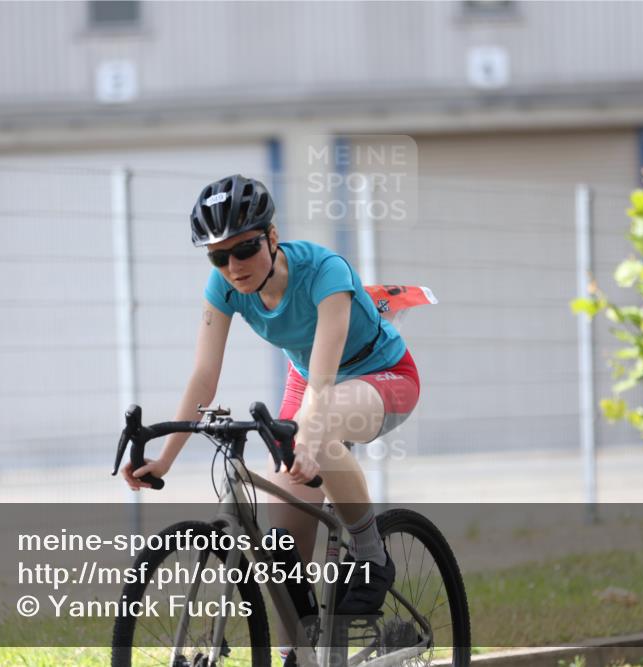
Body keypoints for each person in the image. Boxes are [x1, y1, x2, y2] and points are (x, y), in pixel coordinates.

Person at [121, 174, 421, 655]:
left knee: (318, 439)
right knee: (284, 554)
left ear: (272, 237)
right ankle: (297, 656)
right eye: (218, 256)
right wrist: (164, 460)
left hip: (380, 373)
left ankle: (371, 557)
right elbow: (203, 377)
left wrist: (308, 438)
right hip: (309, 383)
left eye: (244, 249)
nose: (233, 266)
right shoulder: (224, 287)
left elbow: (324, 384)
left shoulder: (325, 271)